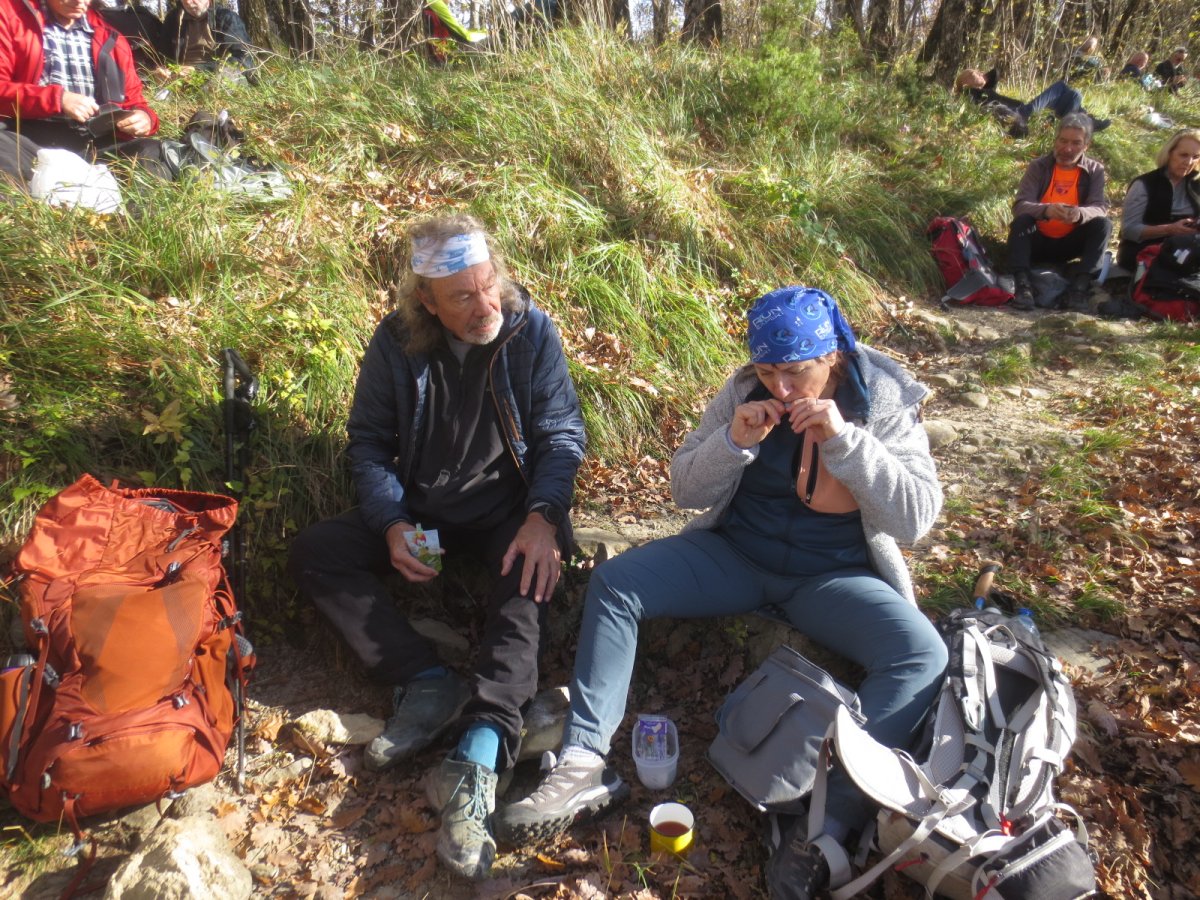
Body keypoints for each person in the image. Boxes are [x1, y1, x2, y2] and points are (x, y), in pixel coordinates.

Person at [496, 286, 948, 900]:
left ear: (833, 356)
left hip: (833, 576)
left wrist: (847, 442)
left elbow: (916, 519)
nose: (780, 388)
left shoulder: (884, 398)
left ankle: (830, 819)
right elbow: (684, 489)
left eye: (796, 372)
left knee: (923, 654)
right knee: (617, 583)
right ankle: (582, 762)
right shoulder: (743, 390)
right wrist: (732, 442)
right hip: (736, 555)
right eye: (767, 370)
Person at [287, 213, 585, 881]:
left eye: (489, 285)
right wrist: (393, 523)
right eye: (462, 297)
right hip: (426, 514)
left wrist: (544, 516)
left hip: (511, 512)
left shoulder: (530, 331)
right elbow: (369, 443)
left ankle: (481, 750)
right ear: (426, 300)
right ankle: (426, 682)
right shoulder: (397, 343)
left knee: (526, 586)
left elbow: (562, 434)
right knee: (317, 552)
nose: (486, 307)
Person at [0, 0, 164, 175]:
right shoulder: (11, 16)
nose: (79, 1)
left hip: (94, 142)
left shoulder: (112, 37)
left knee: (153, 152)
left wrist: (145, 118)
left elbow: (135, 101)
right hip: (27, 137)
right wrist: (58, 99)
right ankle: (29, 190)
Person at [1006, 113, 1111, 311]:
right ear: (1056, 140)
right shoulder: (1039, 167)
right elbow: (1020, 205)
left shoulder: (1094, 170)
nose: (1067, 149)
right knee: (1022, 221)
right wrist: (1046, 210)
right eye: (1063, 141)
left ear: (1086, 146)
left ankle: (1080, 288)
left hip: (1071, 241)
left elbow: (1099, 207)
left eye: (1076, 143)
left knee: (1103, 225)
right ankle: (1022, 284)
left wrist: (1079, 214)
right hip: (1038, 239)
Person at [1117, 129, 1200, 270]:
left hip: (1187, 247)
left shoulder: (1196, 183)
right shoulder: (1144, 184)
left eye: (1196, 157)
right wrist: (1169, 229)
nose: (1189, 162)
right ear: (1169, 153)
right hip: (1146, 250)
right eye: (1183, 155)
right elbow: (1129, 230)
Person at [955, 67, 1109, 137]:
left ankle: (1082, 121)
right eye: (976, 73)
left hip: (1026, 111)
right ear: (968, 81)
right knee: (1062, 87)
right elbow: (992, 76)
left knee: (1073, 95)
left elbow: (995, 73)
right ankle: (1082, 123)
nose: (981, 73)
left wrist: (980, 79)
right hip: (1023, 114)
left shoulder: (984, 91)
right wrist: (970, 81)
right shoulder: (971, 94)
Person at [159, 0, 256, 82]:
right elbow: (163, 56)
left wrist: (199, 70)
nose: (188, 2)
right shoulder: (173, 20)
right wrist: (162, 71)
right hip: (181, 80)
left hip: (218, 78)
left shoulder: (226, 18)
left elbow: (245, 59)